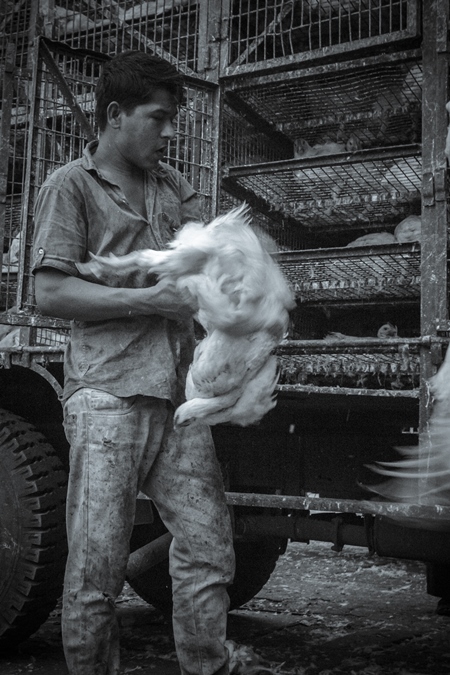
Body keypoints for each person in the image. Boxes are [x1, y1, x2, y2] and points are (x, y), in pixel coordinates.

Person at [32, 50, 235, 675]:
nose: (170, 131)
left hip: (177, 399)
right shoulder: (72, 186)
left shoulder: (175, 188)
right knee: (97, 570)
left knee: (207, 547)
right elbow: (49, 293)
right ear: (115, 115)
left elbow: (211, 266)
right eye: (159, 117)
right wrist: (148, 298)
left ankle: (208, 666)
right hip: (106, 396)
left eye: (174, 118)